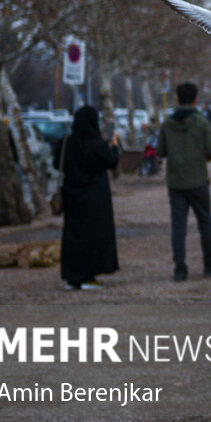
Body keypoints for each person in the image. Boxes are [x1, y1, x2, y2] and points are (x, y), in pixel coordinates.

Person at [156, 82, 211, 282]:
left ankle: (180, 269)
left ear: (177, 99)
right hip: (198, 180)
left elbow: (160, 151)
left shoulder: (167, 123)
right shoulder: (201, 122)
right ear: (195, 99)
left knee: (178, 226)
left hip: (176, 182)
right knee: (205, 222)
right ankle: (209, 264)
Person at [56, 106, 120, 290]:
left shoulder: (67, 141)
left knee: (73, 236)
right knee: (94, 237)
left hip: (72, 195)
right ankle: (89, 277)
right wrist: (114, 145)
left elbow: (56, 163)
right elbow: (111, 162)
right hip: (95, 197)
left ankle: (72, 277)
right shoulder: (97, 143)